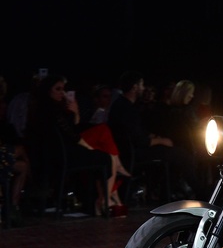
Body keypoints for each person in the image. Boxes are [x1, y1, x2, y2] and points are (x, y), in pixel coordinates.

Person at [25, 75, 127, 216]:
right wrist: (88, 147)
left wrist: (75, 113)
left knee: (104, 149)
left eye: (63, 89)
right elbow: (71, 135)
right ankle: (105, 199)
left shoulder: (51, 108)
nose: (62, 93)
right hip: (60, 155)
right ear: (48, 90)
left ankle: (105, 199)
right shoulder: (51, 110)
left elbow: (73, 129)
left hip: (61, 152)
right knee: (106, 157)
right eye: (58, 89)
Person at [107, 71, 201, 201]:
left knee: (176, 153)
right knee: (182, 155)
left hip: (129, 150)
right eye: (141, 85)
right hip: (133, 153)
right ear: (134, 87)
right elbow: (139, 140)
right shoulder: (127, 109)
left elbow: (136, 132)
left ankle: (170, 192)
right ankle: (199, 192)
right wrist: (161, 140)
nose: (143, 88)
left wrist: (153, 136)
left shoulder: (122, 105)